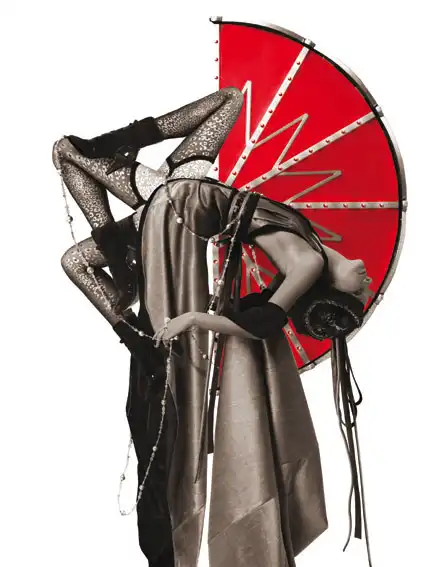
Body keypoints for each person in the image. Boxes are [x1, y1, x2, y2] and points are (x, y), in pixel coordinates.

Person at [53, 88, 373, 567]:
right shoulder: (313, 242)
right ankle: (125, 266)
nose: (366, 278)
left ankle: (131, 307)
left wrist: (194, 318)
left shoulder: (307, 263)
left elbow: (265, 321)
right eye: (365, 286)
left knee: (68, 156)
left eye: (357, 291)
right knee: (228, 100)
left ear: (330, 290)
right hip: (185, 191)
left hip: (181, 206)